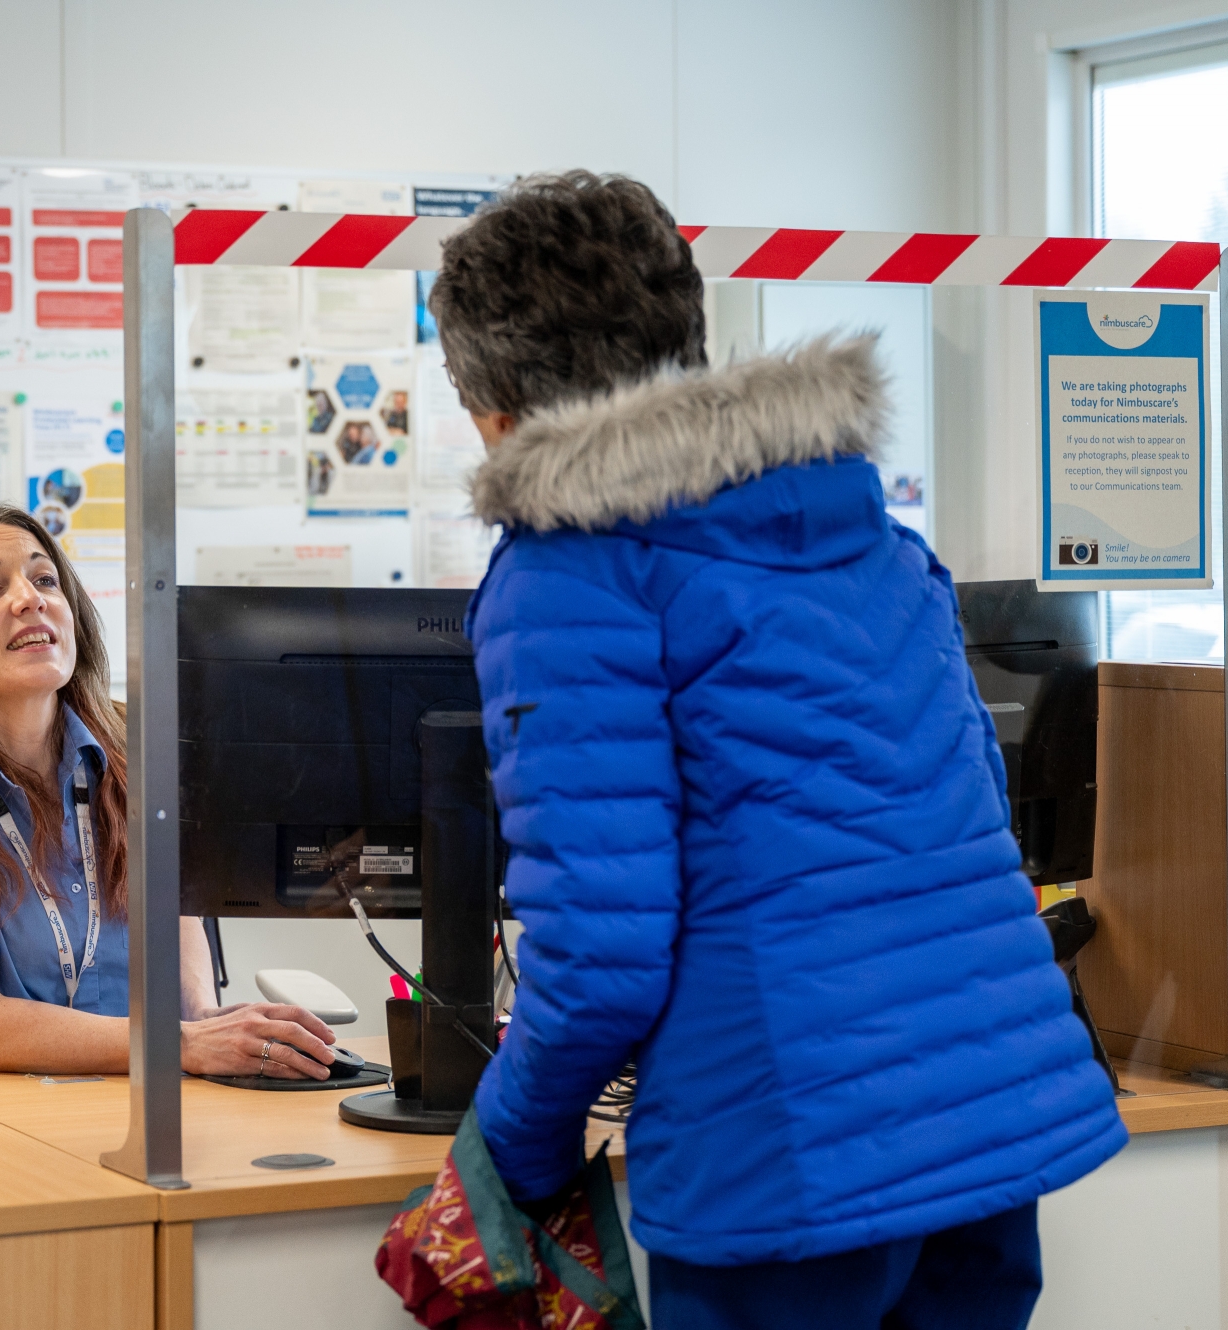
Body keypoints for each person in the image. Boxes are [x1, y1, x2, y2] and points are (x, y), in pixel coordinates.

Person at [430, 172, 1126, 1327]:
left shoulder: (564, 574)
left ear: (494, 399)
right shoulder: (872, 537)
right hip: (986, 1128)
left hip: (789, 1149)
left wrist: (508, 1150)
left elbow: (600, 953)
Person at [0, 503, 338, 1080]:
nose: (30, 598)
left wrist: (200, 1015)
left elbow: (172, 907)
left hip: (148, 1092)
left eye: (44, 578)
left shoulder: (139, 750)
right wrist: (180, 1043)